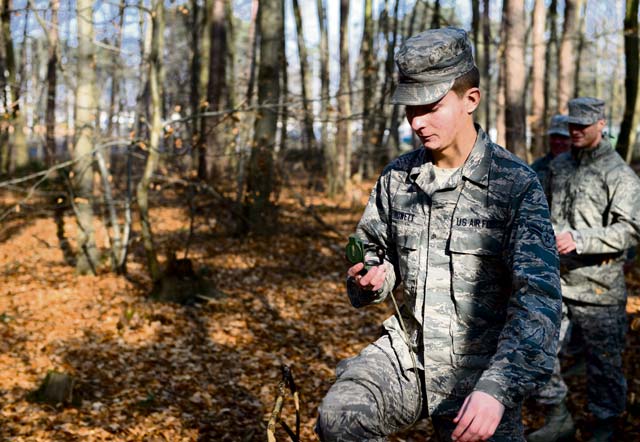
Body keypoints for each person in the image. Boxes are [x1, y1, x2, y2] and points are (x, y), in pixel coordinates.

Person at [315, 27, 562, 442]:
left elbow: (538, 303)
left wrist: (498, 388)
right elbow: (374, 253)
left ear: (471, 99)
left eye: (431, 106)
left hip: (482, 372)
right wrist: (372, 276)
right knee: (340, 418)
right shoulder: (397, 179)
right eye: (411, 109)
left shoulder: (514, 186)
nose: (418, 122)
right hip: (409, 356)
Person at [527, 97, 640, 442]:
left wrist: (580, 239)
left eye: (582, 126)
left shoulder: (619, 174)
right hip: (556, 281)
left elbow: (631, 229)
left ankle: (605, 424)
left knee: (604, 366)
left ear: (601, 125)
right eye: (572, 125)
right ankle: (558, 415)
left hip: (598, 288)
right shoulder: (558, 166)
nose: (574, 131)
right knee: (537, 346)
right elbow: (541, 214)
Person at [530, 114, 571, 192]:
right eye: (554, 137)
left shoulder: (581, 166)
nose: (557, 142)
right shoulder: (537, 168)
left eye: (563, 137)